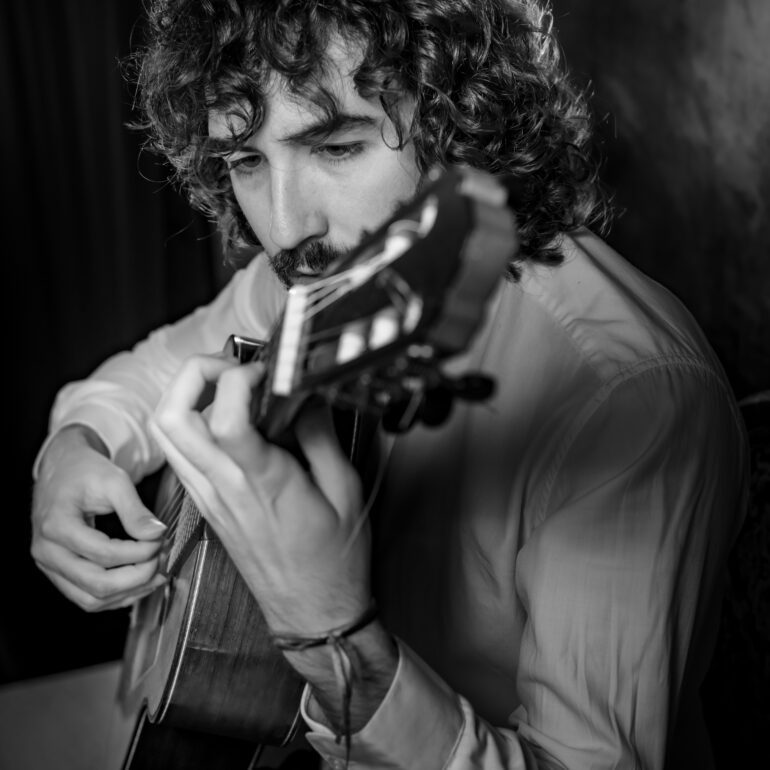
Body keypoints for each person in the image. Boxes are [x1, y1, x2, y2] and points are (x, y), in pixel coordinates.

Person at [30, 1, 748, 768]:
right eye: (245, 161)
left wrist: (333, 635)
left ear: (459, 125)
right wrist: (76, 447)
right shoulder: (321, 280)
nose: (284, 227)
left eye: (337, 147)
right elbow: (151, 369)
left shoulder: (625, 394)